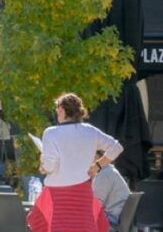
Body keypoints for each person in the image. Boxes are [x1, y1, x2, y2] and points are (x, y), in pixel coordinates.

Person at [28, 93, 123, 232]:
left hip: (57, 194)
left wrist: (43, 165)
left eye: (57, 109)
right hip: (82, 192)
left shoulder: (51, 133)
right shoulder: (90, 131)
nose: (56, 112)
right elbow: (116, 148)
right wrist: (97, 166)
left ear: (62, 110)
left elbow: (49, 166)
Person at [91, 150, 131, 228]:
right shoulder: (109, 171)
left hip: (111, 219)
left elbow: (96, 205)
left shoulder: (104, 174)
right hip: (116, 217)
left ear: (96, 157)